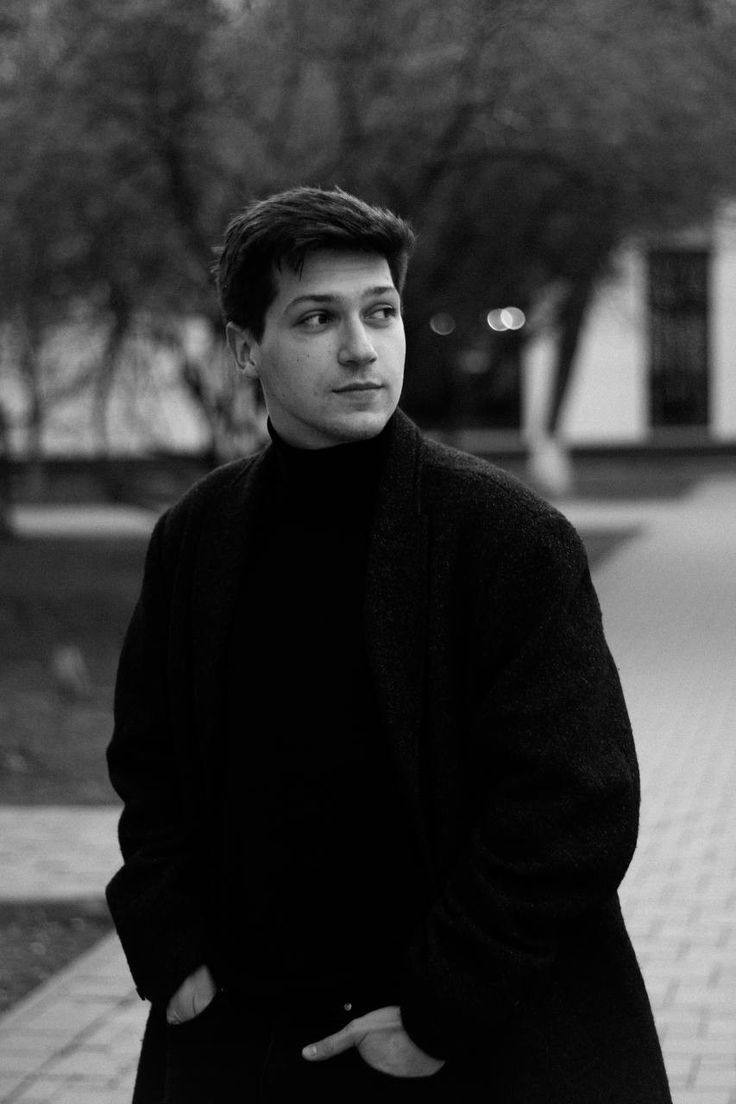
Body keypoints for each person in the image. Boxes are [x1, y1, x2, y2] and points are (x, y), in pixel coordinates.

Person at [106, 186, 672, 1104]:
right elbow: (151, 762)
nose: (361, 348)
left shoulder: (506, 537)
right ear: (249, 350)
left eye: (381, 312)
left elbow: (577, 800)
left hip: (460, 1046)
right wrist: (170, 948)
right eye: (317, 318)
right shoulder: (197, 538)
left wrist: (442, 1011)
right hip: (244, 1036)